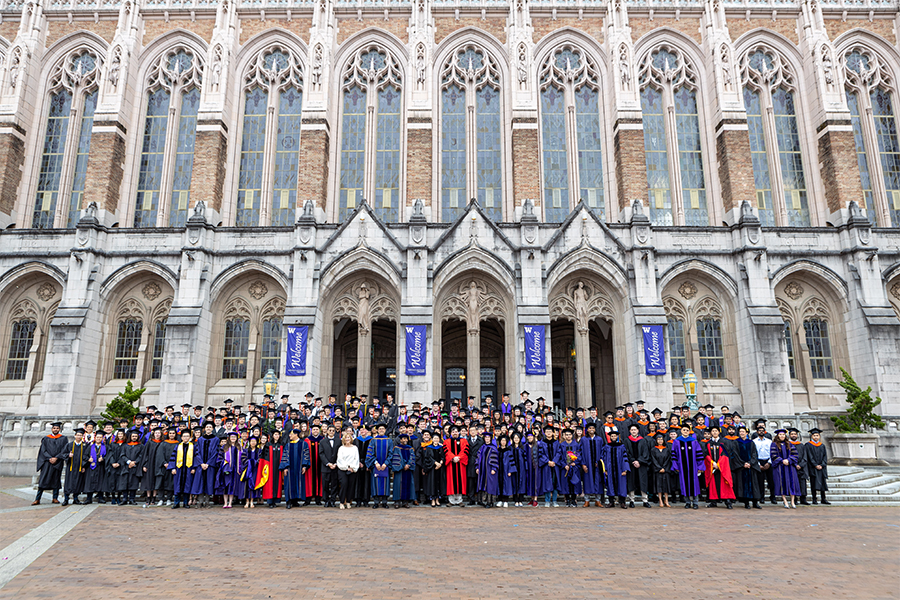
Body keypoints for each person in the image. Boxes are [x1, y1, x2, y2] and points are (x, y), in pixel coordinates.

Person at [671, 420, 704, 510]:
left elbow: (699, 454)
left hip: (693, 467)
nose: (685, 431)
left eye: (687, 430)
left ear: (689, 431)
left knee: (695, 484)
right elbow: (674, 455)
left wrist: (700, 466)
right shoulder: (677, 442)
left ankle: (696, 502)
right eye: (684, 430)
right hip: (682, 467)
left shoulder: (694, 441)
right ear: (681, 431)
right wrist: (676, 466)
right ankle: (688, 502)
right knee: (684, 485)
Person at [33, 421, 68, 505]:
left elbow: (64, 450)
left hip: (57, 462)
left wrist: (56, 458)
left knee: (56, 480)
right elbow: (43, 450)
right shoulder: (46, 438)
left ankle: (55, 498)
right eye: (54, 428)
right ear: (52, 429)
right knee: (43, 480)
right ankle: (37, 499)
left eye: (57, 428)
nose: (55, 429)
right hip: (47, 462)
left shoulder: (63, 439)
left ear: (59, 429)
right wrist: (50, 458)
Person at [704, 425, 735, 509]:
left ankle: (728, 501)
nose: (714, 432)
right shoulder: (708, 443)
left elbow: (725, 454)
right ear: (711, 433)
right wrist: (712, 463)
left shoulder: (724, 443)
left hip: (722, 467)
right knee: (713, 484)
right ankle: (713, 501)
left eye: (716, 431)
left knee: (724, 484)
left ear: (719, 432)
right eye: (713, 431)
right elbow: (706, 454)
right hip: (712, 467)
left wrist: (718, 464)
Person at [191, 422, 221, 509]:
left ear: (212, 429)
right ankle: (200, 502)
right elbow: (197, 452)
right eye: (207, 427)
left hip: (210, 465)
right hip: (201, 465)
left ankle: (207, 502)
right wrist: (201, 463)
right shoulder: (200, 439)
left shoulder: (216, 439)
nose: (208, 428)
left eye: (210, 427)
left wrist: (208, 463)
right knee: (200, 483)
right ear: (205, 429)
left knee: (209, 483)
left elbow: (215, 453)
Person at [731, 426, 762, 509]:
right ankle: (746, 503)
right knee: (744, 485)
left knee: (754, 485)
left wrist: (750, 463)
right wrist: (743, 464)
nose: (742, 433)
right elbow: (735, 455)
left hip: (751, 467)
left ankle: (755, 502)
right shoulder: (736, 442)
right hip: (742, 468)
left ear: (747, 433)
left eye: (743, 431)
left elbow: (754, 454)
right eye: (740, 431)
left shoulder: (751, 443)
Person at [366, 423, 394, 509]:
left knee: (385, 483)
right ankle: (376, 502)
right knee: (375, 483)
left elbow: (391, 453)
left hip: (386, 466)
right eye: (380, 429)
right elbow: (370, 453)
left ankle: (385, 502)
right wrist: (375, 462)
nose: (381, 430)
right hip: (376, 466)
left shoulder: (389, 440)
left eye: (383, 429)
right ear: (377, 430)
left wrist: (386, 463)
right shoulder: (373, 440)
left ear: (385, 430)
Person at [770, 429, 801, 509]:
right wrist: (782, 460)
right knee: (781, 484)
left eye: (783, 434)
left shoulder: (789, 444)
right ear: (777, 436)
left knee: (792, 483)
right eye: (780, 435)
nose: (782, 436)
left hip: (790, 467)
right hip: (780, 467)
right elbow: (773, 455)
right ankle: (785, 501)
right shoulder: (774, 445)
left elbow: (795, 455)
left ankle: (792, 501)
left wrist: (789, 460)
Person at [280, 428, 309, 509]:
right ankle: (288, 502)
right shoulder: (288, 445)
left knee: (297, 483)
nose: (289, 436)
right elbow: (285, 457)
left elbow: (306, 455)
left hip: (299, 468)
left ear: (296, 434)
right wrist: (285, 467)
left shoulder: (303, 444)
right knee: (289, 484)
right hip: (290, 468)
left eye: (291, 434)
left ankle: (295, 501)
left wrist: (304, 465)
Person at [601, 429, 629, 509]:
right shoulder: (606, 447)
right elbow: (604, 458)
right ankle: (611, 502)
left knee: (621, 485)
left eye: (615, 436)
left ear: (617, 437)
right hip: (610, 470)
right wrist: (605, 469)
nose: (613, 437)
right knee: (610, 485)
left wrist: (625, 469)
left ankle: (622, 502)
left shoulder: (621, 446)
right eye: (612, 436)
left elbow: (625, 458)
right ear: (610, 437)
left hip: (620, 469)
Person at [625, 424, 651, 508]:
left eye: (635, 430)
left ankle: (645, 500)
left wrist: (639, 461)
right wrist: (633, 461)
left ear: (638, 431)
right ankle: (631, 500)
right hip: (631, 465)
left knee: (643, 482)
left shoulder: (643, 440)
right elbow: (626, 452)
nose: (633, 431)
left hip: (641, 465)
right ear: (629, 431)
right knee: (631, 482)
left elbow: (645, 453)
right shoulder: (627, 440)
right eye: (632, 430)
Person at [169, 429, 196, 509]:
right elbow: (173, 457)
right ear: (181, 437)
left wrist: (194, 467)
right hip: (179, 469)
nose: (186, 438)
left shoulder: (193, 446)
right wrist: (173, 468)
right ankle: (176, 503)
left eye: (187, 436)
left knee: (187, 486)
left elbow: (195, 458)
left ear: (190, 437)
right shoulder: (178, 446)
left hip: (188, 469)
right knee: (177, 486)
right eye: (184, 436)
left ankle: (185, 503)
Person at [554, 428, 582, 507]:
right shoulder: (562, 445)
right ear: (564, 436)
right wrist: (564, 465)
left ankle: (573, 500)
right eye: (567, 435)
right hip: (565, 468)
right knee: (566, 484)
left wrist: (575, 463)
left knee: (574, 484)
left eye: (569, 435)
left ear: (572, 435)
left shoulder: (576, 445)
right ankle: (567, 500)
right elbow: (559, 456)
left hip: (574, 468)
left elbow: (579, 455)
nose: (568, 436)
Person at [580, 422, 605, 508]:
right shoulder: (583, 439)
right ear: (587, 430)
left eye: (593, 428)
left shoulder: (599, 439)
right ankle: (587, 501)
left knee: (598, 481)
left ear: (595, 429)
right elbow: (580, 452)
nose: (591, 429)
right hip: (587, 464)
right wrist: (583, 464)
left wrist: (599, 462)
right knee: (587, 481)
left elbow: (602, 451)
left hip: (597, 465)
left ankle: (597, 501)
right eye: (590, 428)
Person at [62, 428, 89, 506]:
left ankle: (75, 499)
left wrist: (84, 466)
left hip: (79, 468)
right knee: (68, 483)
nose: (79, 437)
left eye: (80, 435)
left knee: (78, 483)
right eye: (77, 435)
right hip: (71, 467)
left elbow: (86, 456)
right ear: (75, 436)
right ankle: (66, 499)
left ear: (83, 436)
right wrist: (68, 455)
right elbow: (63, 454)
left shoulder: (85, 445)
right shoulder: (69, 445)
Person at [443, 425, 468, 506]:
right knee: (451, 482)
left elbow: (465, 450)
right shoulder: (446, 442)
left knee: (461, 482)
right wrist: (453, 458)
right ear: (450, 433)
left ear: (459, 432)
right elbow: (446, 451)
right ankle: (451, 501)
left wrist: (459, 457)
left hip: (460, 464)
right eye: (453, 432)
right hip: (451, 464)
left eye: (456, 431)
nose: (455, 433)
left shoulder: (464, 441)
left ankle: (459, 500)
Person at [417, 430, 443, 507]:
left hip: (440, 468)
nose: (436, 440)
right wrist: (436, 463)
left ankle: (437, 499)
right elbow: (428, 458)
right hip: (432, 468)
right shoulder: (428, 448)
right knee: (432, 484)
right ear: (432, 439)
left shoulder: (441, 447)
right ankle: (433, 500)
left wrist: (441, 463)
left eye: (437, 438)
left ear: (439, 439)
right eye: (434, 438)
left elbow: (443, 457)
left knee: (439, 484)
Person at [805, 429, 830, 505]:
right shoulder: (808, 445)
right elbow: (809, 456)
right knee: (814, 483)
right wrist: (815, 465)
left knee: (823, 483)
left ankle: (823, 498)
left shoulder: (822, 445)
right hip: (813, 468)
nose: (816, 437)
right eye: (814, 435)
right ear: (811, 436)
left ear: (819, 436)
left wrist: (822, 464)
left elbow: (825, 456)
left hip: (822, 468)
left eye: (817, 435)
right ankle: (814, 499)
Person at [336, 429, 360, 509]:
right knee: (344, 485)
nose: (347, 439)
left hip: (352, 469)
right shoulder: (341, 448)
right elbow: (340, 459)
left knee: (351, 486)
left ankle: (349, 501)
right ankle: (342, 502)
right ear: (343, 439)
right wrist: (347, 467)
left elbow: (356, 459)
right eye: (346, 438)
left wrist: (352, 467)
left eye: (349, 438)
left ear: (351, 439)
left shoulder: (355, 448)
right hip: (343, 469)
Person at [260, 429, 284, 508]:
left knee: (277, 483)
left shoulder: (282, 445)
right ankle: (270, 501)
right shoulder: (268, 445)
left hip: (278, 468)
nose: (277, 436)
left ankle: (275, 501)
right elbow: (264, 457)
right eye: (275, 434)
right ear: (272, 436)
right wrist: (265, 467)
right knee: (270, 484)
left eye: (278, 434)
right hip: (270, 467)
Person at [475, 430, 499, 508]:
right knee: (482, 484)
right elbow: (478, 458)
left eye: (488, 438)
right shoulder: (482, 447)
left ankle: (490, 502)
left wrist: (494, 468)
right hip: (482, 470)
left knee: (490, 485)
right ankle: (482, 501)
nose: (487, 439)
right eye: (486, 438)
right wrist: (477, 467)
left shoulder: (493, 448)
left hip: (490, 470)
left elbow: (495, 459)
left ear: (490, 439)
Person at [392, 432, 416, 508]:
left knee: (408, 485)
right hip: (400, 470)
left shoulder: (410, 448)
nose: (405, 440)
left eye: (406, 439)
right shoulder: (396, 448)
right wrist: (403, 465)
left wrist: (408, 464)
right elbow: (397, 458)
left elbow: (412, 457)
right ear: (400, 440)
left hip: (408, 470)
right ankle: (397, 502)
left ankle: (405, 502)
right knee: (398, 485)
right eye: (404, 439)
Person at [84, 431, 108, 505]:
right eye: (97, 437)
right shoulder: (90, 447)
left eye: (100, 437)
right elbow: (84, 456)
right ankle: (89, 498)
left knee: (100, 482)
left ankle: (100, 498)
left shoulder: (105, 447)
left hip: (101, 467)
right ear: (95, 438)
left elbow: (109, 456)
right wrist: (88, 459)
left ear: (102, 438)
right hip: (91, 468)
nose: (98, 438)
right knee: (90, 482)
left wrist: (103, 459)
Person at [319, 424, 341, 508]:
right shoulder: (322, 441)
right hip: (325, 467)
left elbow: (340, 453)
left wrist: (335, 463)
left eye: (333, 431)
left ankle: (333, 500)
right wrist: (328, 463)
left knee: (334, 485)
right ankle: (326, 501)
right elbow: (321, 454)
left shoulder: (338, 441)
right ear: (327, 431)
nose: (331, 432)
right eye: (330, 430)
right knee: (325, 485)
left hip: (335, 466)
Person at [788, 428, 810, 505]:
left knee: (802, 483)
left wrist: (800, 465)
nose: (794, 435)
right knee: (793, 483)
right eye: (792, 434)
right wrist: (794, 464)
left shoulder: (801, 445)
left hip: (802, 467)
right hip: (792, 467)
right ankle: (795, 499)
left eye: (795, 434)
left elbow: (805, 457)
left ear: (797, 435)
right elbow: (788, 456)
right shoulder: (788, 445)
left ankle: (803, 499)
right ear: (789, 435)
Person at [304, 423, 324, 505]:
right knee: (309, 482)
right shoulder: (307, 440)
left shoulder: (322, 440)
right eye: (314, 429)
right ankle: (307, 499)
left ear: (319, 430)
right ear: (311, 431)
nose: (315, 431)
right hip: (310, 465)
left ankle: (318, 499)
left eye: (317, 429)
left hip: (320, 464)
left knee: (319, 481)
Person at [650, 432, 671, 507]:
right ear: (656, 440)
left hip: (665, 470)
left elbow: (668, 460)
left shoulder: (667, 449)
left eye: (661, 439)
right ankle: (660, 500)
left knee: (666, 486)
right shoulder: (653, 450)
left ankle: (666, 500)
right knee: (659, 486)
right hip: (657, 471)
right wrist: (659, 468)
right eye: (658, 439)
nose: (660, 441)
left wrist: (664, 468)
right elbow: (653, 460)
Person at [239, 435, 261, 509]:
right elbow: (243, 459)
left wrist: (254, 462)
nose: (253, 443)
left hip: (255, 470)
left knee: (253, 485)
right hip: (247, 470)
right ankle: (247, 501)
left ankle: (252, 501)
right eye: (252, 441)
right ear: (249, 442)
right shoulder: (245, 450)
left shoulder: (259, 451)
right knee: (246, 485)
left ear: (257, 442)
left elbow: (260, 460)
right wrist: (250, 462)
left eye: (254, 441)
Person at [353, 425, 373, 507]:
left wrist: (368, 464)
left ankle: (365, 500)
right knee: (358, 482)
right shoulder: (356, 440)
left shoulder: (371, 440)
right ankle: (358, 500)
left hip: (367, 463)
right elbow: (353, 453)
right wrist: (357, 463)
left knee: (366, 482)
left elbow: (372, 453)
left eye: (364, 429)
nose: (362, 431)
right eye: (361, 429)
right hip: (358, 464)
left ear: (367, 431)